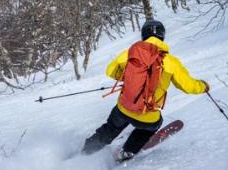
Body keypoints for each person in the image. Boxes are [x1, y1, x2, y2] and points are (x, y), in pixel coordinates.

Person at [82, 19, 209, 162]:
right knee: (152, 125)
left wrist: (129, 76)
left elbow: (111, 71)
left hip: (124, 108)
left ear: (144, 35)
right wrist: (203, 86)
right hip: (147, 115)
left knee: (110, 128)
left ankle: (86, 152)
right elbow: (188, 86)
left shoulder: (131, 53)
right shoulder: (171, 61)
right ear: (162, 36)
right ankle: (127, 152)